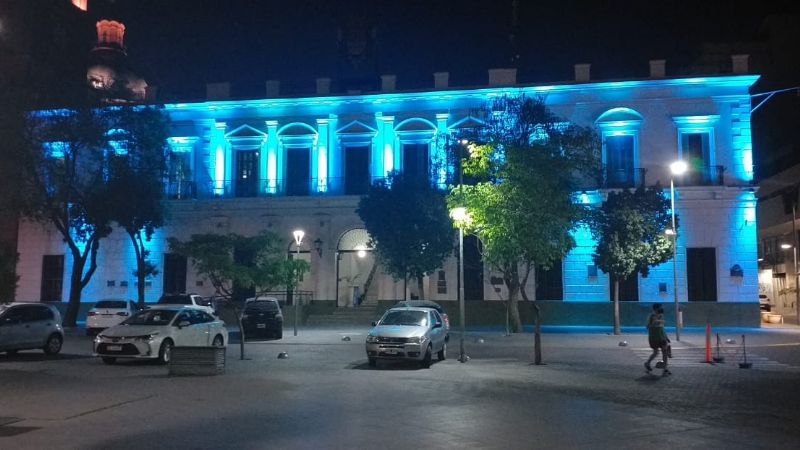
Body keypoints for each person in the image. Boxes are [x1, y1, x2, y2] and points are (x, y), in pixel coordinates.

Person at [645, 303, 671, 376]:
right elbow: (647, 327)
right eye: (660, 307)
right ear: (656, 309)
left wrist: (666, 337)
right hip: (654, 337)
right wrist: (654, 322)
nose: (661, 309)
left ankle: (665, 369)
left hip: (662, 337)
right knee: (656, 352)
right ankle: (647, 363)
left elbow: (662, 327)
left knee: (665, 352)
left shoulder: (661, 315)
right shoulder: (651, 316)